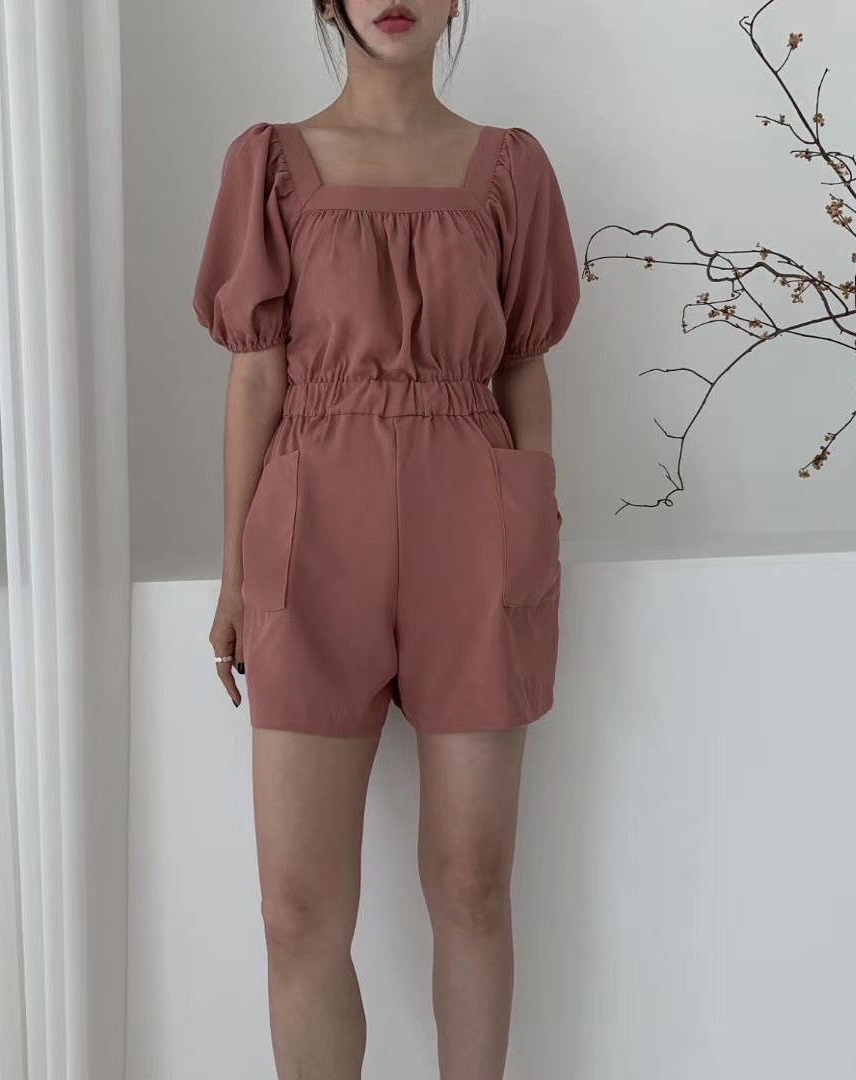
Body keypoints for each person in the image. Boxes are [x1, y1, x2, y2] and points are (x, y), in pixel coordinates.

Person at [191, 2, 580, 1076]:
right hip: (313, 528)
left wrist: (528, 529)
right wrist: (234, 578)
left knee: (473, 887)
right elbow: (256, 378)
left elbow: (525, 365)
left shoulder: (511, 169)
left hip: (473, 529)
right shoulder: (269, 165)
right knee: (295, 909)